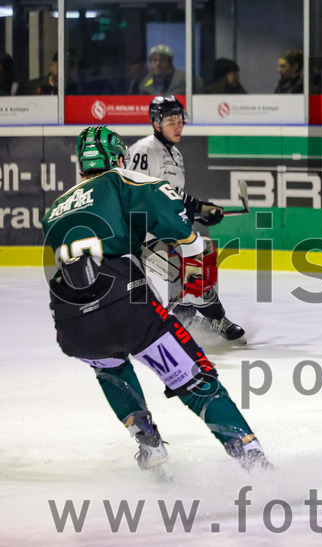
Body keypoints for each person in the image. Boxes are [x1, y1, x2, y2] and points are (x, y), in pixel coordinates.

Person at [42, 126, 269, 474]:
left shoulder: (54, 209)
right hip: (126, 308)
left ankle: (148, 442)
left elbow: (104, 229)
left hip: (72, 324)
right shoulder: (121, 179)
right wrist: (192, 242)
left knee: (110, 369)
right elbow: (171, 218)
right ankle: (253, 460)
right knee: (196, 381)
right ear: (118, 157)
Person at [127, 96, 246, 343]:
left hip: (165, 233)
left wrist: (202, 210)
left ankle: (186, 318)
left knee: (203, 250)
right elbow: (136, 195)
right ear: (156, 123)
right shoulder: (144, 151)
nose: (177, 125)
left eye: (180, 120)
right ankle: (213, 318)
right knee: (189, 270)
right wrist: (194, 209)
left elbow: (172, 196)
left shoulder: (176, 155)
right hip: (142, 239)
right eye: (170, 120)